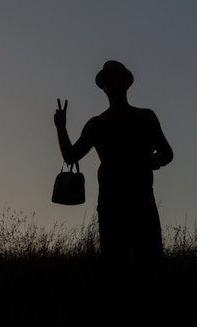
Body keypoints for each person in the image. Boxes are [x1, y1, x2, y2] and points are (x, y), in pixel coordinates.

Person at [53, 60, 173, 283]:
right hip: (113, 204)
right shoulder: (98, 124)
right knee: (117, 269)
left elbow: (167, 153)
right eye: (109, 81)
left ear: (126, 85)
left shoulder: (145, 117)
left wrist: (152, 161)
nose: (112, 85)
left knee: (149, 267)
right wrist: (61, 128)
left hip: (139, 200)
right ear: (104, 88)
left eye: (116, 80)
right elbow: (71, 156)